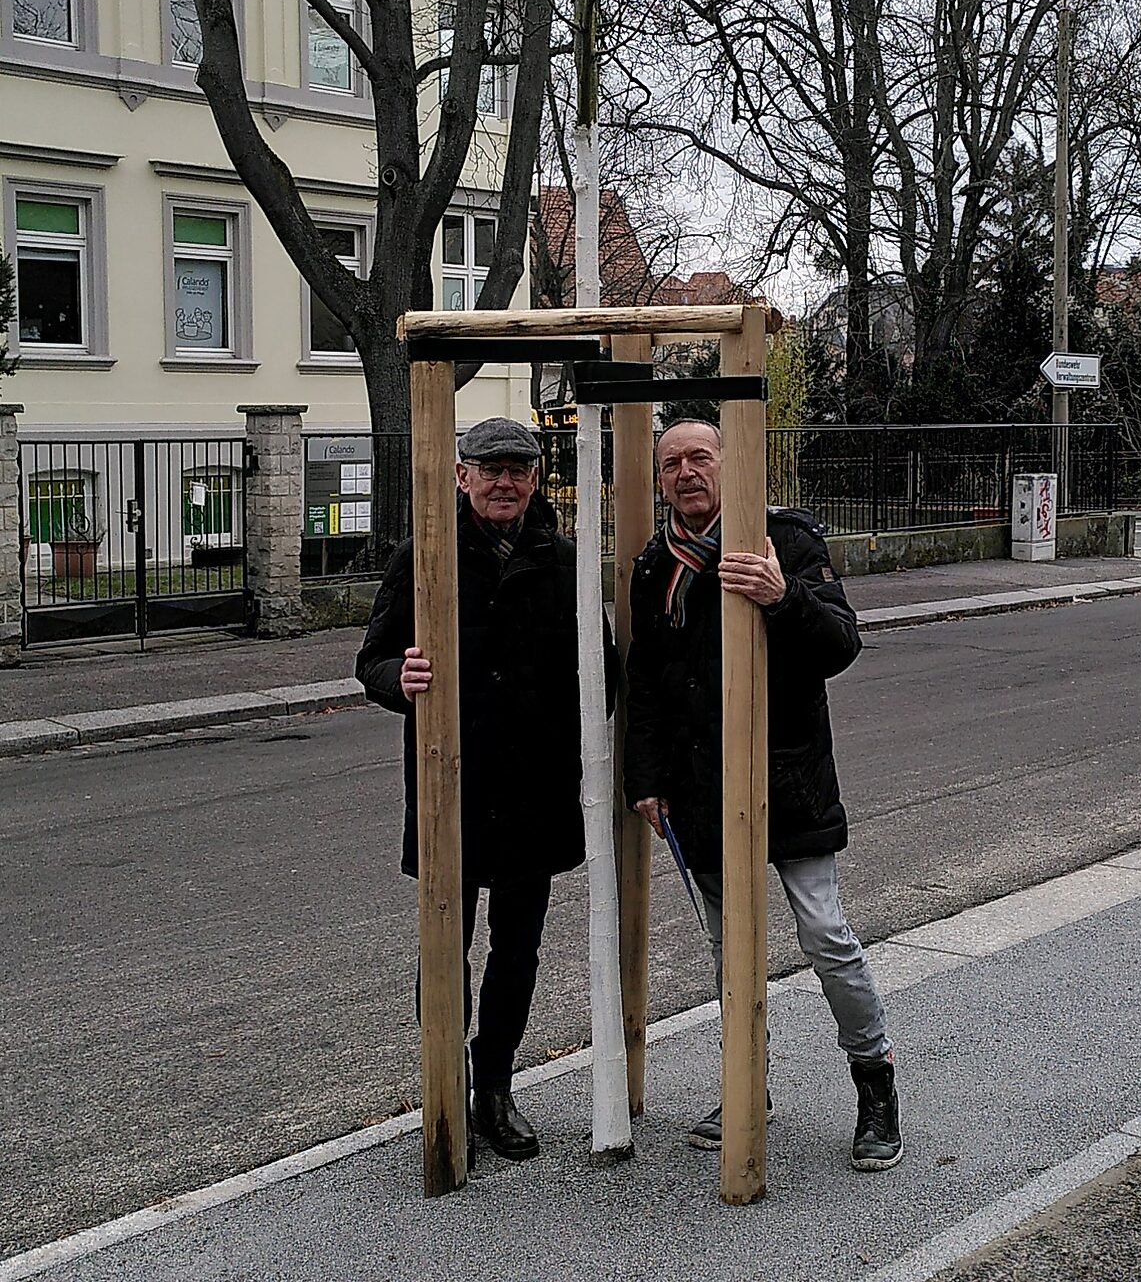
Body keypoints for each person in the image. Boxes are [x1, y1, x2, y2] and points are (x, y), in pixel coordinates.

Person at [623, 417, 902, 1171]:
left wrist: (783, 597)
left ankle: (875, 1085)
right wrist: (644, 779)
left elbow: (839, 646)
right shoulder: (656, 566)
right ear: (660, 480)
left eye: (700, 458)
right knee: (728, 950)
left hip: (788, 783)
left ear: (728, 465)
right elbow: (643, 681)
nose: (687, 473)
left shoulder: (787, 541)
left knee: (826, 938)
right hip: (700, 794)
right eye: (673, 463)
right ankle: (749, 1081)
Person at [355, 416, 616, 1166]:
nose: (504, 482)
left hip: (534, 789)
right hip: (451, 788)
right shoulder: (425, 555)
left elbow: (596, 669)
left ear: (536, 480)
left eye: (518, 470)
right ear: (461, 475)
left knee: (518, 947)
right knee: (444, 944)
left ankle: (495, 1084)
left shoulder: (563, 559)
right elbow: (372, 657)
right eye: (489, 469)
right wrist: (395, 682)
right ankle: (448, 1077)